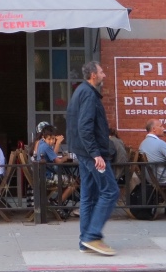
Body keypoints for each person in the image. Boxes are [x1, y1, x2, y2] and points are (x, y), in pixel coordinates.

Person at [65, 60, 120, 257]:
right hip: (91, 154)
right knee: (110, 191)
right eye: (102, 72)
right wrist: (96, 154)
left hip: (82, 151)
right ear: (93, 75)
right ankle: (92, 236)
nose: (105, 75)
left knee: (88, 197)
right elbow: (85, 127)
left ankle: (84, 241)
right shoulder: (88, 94)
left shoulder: (81, 91)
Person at [34, 122, 76, 204]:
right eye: (49, 139)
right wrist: (66, 157)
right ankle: (57, 203)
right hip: (47, 177)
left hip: (42, 175)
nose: (51, 141)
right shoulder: (46, 147)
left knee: (69, 179)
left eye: (53, 139)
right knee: (74, 182)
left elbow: (53, 157)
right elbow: (58, 162)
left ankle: (59, 204)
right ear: (44, 137)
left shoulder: (41, 143)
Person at [139, 120, 166, 186]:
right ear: (154, 129)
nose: (163, 128)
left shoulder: (142, 144)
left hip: (151, 179)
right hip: (164, 178)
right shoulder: (160, 143)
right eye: (161, 126)